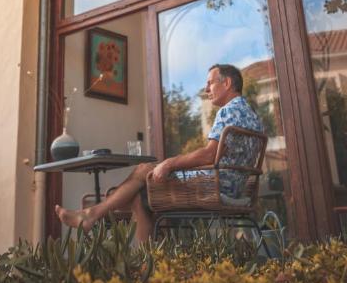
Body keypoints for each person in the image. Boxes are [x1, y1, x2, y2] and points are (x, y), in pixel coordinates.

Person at [55, 63, 264, 243]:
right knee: (139, 193)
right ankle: (97, 213)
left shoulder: (227, 110)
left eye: (210, 83)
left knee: (142, 173)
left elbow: (210, 155)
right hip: (237, 188)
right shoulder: (253, 117)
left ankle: (96, 214)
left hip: (215, 184)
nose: (206, 88)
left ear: (226, 83)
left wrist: (170, 163)